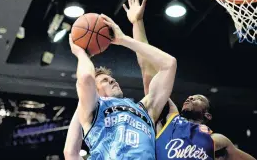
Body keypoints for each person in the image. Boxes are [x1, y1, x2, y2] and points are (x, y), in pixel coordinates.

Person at [124, 0, 256, 160]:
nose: (191, 97)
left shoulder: (217, 141)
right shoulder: (168, 118)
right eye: (191, 97)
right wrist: (137, 22)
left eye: (199, 98)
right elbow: (147, 69)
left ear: (207, 115)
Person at [63, 13, 177, 160]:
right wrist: (81, 54)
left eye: (112, 79)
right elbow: (86, 77)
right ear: (94, 91)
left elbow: (169, 64)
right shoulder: (92, 110)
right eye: (104, 80)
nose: (112, 81)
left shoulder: (145, 109)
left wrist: (123, 39)